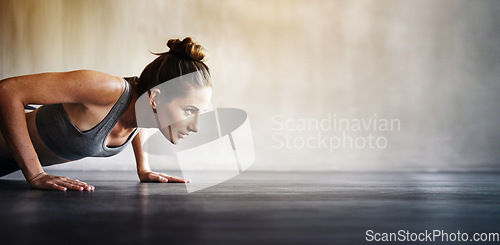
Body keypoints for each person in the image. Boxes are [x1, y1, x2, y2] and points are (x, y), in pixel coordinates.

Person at [0, 37, 212, 191]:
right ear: (155, 98)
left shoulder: (142, 110)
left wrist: (144, 169)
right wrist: (35, 173)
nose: (195, 126)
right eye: (189, 110)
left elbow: (139, 122)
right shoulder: (107, 88)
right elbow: (8, 91)